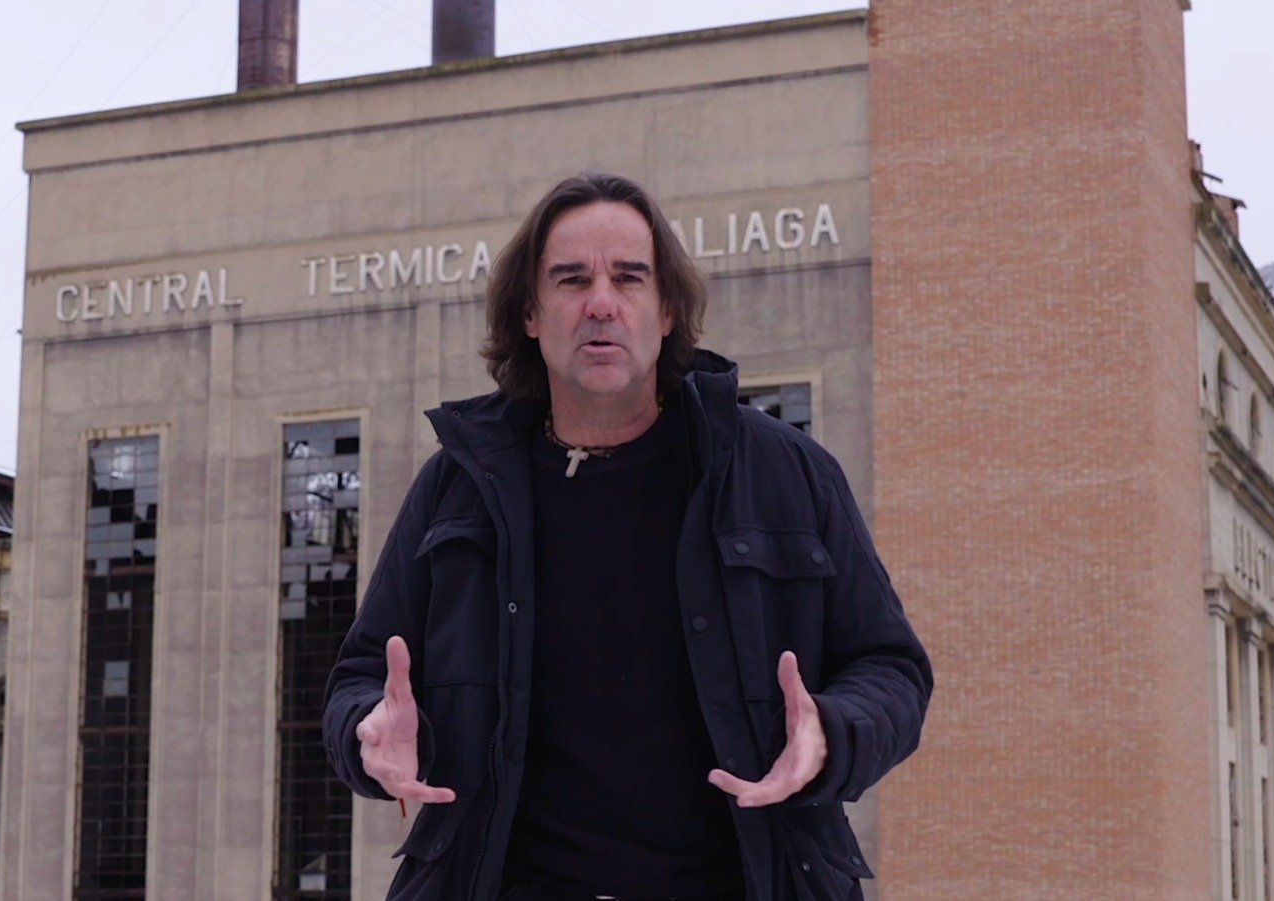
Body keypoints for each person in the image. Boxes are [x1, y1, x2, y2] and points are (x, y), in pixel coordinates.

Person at [323, 172, 932, 901]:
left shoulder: (783, 472)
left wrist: (832, 732)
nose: (601, 304)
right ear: (529, 313)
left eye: (629, 278)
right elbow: (360, 678)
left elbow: (891, 668)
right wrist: (367, 732)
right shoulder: (458, 485)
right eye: (572, 280)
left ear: (667, 310)